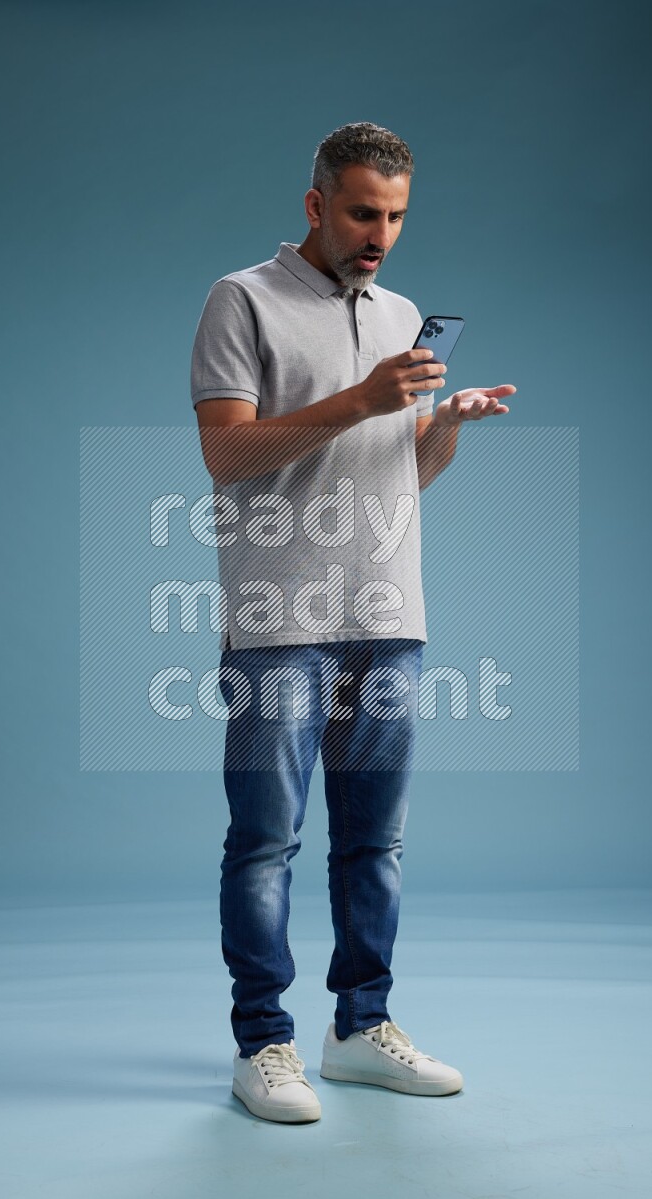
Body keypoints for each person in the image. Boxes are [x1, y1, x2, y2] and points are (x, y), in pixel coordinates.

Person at [190, 122, 515, 1123]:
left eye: (396, 216)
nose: (379, 234)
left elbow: (403, 471)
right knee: (265, 840)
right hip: (277, 612)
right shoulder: (240, 299)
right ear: (315, 205)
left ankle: (357, 1027)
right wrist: (358, 397)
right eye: (363, 212)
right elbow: (227, 455)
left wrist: (442, 425)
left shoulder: (403, 314)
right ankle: (264, 1044)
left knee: (373, 842)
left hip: (386, 607)